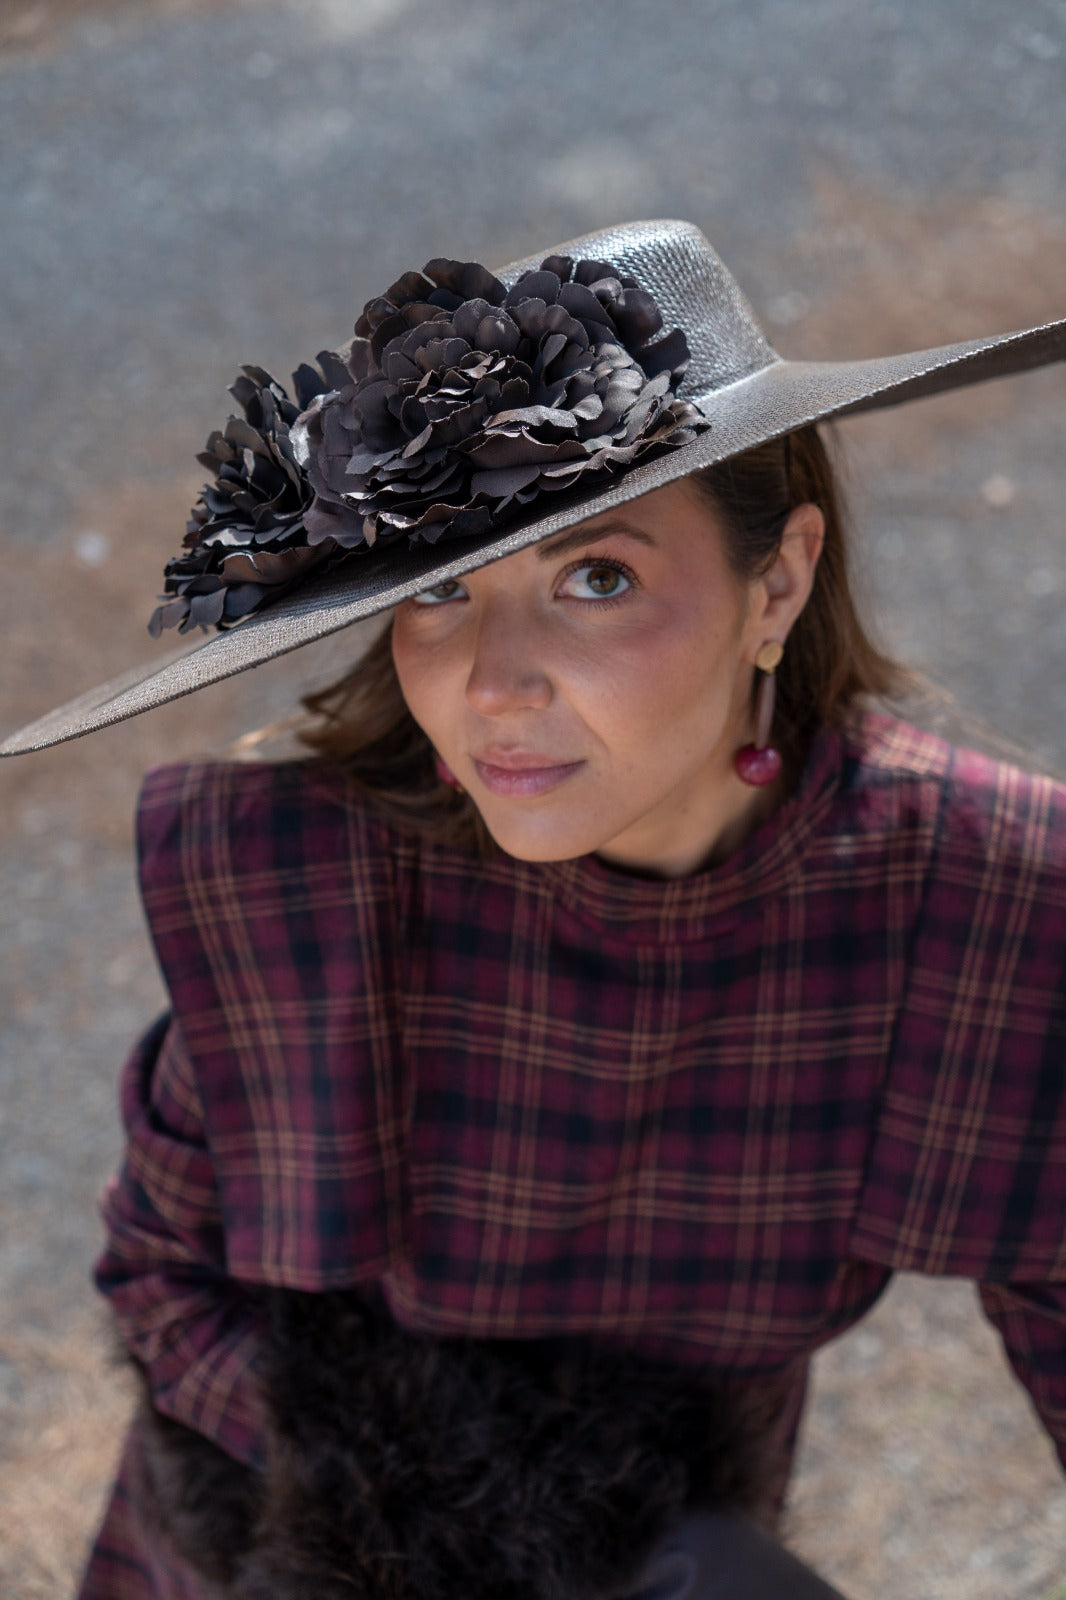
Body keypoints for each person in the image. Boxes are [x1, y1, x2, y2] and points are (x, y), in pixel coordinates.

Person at [3, 220, 1064, 1598]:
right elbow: (163, 1277)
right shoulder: (306, 878)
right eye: (442, 586)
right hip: (284, 1543)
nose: (492, 685)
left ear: (777, 583)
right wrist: (441, 1541)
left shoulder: (975, 899)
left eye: (594, 578)